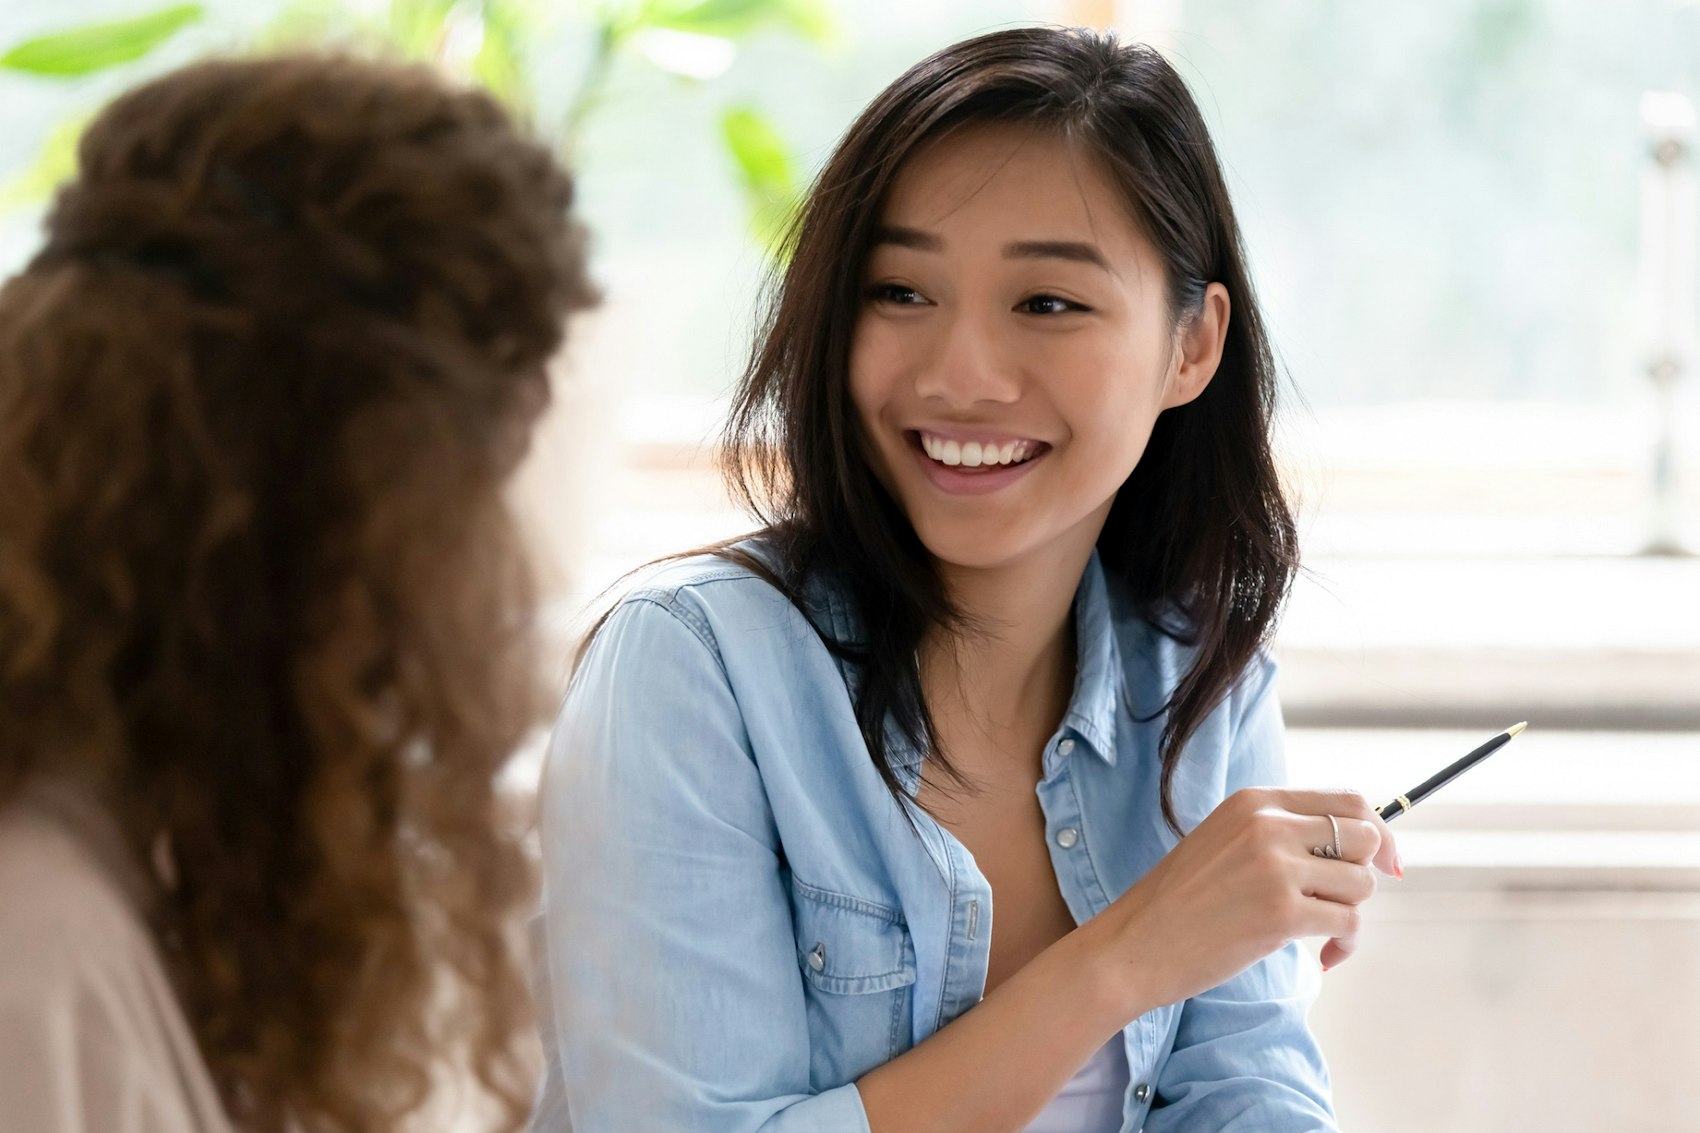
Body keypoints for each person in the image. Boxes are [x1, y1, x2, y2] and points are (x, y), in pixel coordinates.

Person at [534, 25, 1398, 1133]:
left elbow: (1247, 1092)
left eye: (1046, 302)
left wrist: (1252, 907)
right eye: (899, 292)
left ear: (1190, 346)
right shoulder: (692, 671)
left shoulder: (1200, 681)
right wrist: (1120, 959)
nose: (959, 375)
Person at [0, 54, 595, 1133]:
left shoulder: (126, 862)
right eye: (472, 493)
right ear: (328, 494)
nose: (495, 578)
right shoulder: (38, 963)